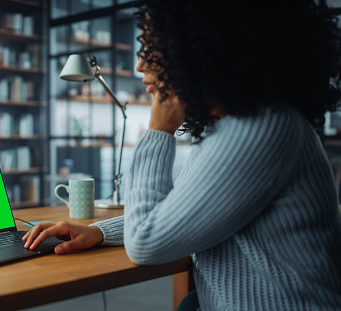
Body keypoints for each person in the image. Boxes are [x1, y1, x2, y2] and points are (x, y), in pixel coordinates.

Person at [24, 0, 341, 309]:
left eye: (151, 50)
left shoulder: (260, 128)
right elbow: (177, 211)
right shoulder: (229, 127)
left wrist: (159, 129)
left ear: (199, 49)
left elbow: (146, 243)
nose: (139, 65)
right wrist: (98, 231)